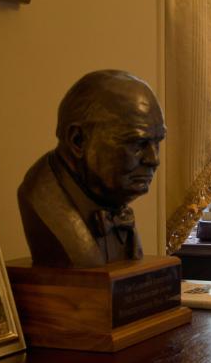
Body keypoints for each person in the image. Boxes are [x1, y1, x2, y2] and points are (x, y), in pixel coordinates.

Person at [18, 69, 166, 268]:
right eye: (137, 145)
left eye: (156, 143)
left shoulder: (110, 197)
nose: (154, 160)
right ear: (78, 140)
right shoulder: (40, 197)